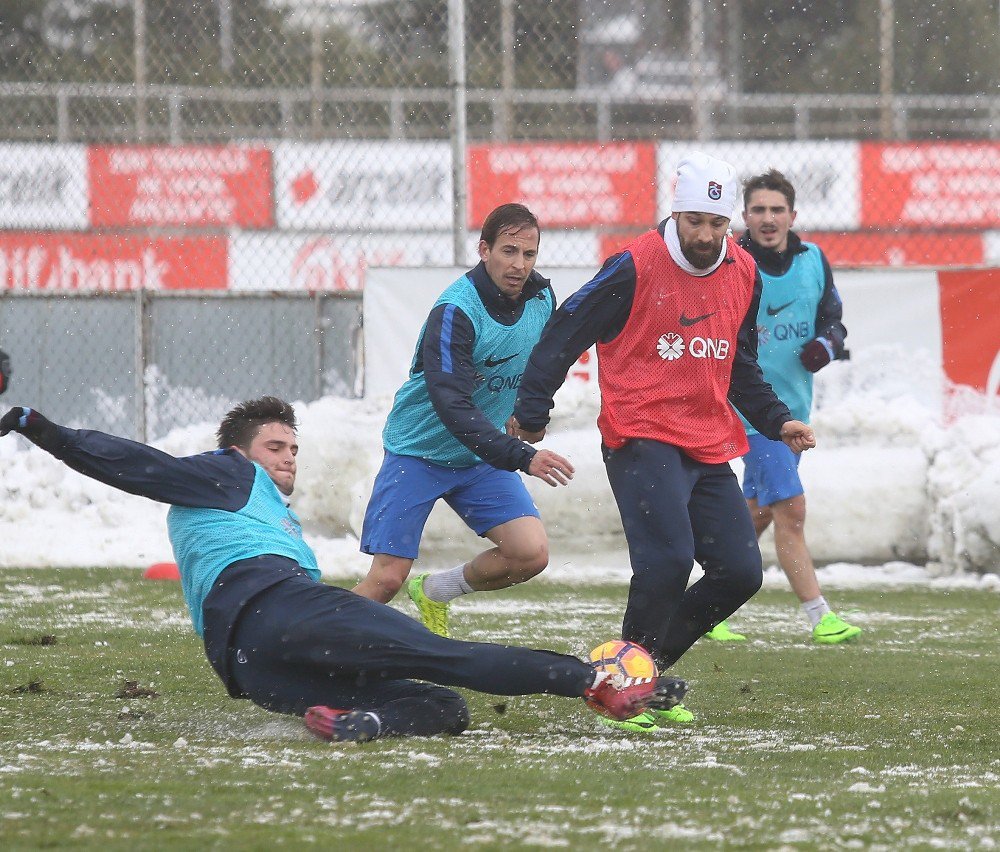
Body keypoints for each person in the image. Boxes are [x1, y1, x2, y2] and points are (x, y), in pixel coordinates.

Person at [0, 399, 685, 742]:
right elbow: (131, 463)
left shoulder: (243, 500)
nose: (288, 457)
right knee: (446, 657)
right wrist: (43, 428)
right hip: (278, 608)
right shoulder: (225, 472)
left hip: (248, 666)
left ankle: (359, 725)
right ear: (239, 451)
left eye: (294, 447)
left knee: (444, 710)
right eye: (276, 446)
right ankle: (593, 678)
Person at [512, 152, 816, 733]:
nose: (705, 235)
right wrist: (532, 411)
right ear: (674, 212)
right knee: (669, 560)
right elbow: (564, 332)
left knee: (739, 571)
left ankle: (635, 672)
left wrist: (777, 420)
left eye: (716, 223)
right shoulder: (633, 266)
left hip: (706, 440)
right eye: (694, 220)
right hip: (640, 434)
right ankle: (625, 687)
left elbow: (738, 363)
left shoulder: (743, 272)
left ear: (732, 223)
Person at [353, 203, 574, 637]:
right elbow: (451, 407)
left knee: (529, 554)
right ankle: (313, 640)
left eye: (529, 255)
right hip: (418, 452)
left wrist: (530, 414)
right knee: (386, 579)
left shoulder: (542, 298)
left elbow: (548, 363)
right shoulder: (456, 312)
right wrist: (521, 454)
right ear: (484, 249)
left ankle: (435, 591)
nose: (519, 265)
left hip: (477, 457)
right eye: (509, 251)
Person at [703, 169, 860, 645]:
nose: (768, 219)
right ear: (744, 216)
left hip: (794, 411)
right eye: (758, 210)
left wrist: (824, 347)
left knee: (760, 510)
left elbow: (835, 323)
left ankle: (707, 603)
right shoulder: (732, 263)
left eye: (777, 210)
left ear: (793, 215)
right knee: (790, 509)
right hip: (752, 412)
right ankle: (820, 615)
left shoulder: (813, 260)